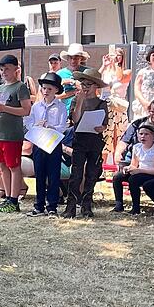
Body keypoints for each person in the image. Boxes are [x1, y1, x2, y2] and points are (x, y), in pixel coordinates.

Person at [0, 55, 32, 213]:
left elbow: (26, 110)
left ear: (15, 69)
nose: (4, 71)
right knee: (2, 166)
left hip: (12, 134)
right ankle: (7, 197)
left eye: (7, 68)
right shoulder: (1, 88)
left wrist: (4, 108)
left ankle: (14, 199)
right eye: (1, 69)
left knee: (14, 166)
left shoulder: (20, 87)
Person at [63, 68, 109, 218]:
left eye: (89, 84)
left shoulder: (101, 103)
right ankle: (70, 207)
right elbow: (75, 119)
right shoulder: (77, 100)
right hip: (80, 140)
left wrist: (101, 127)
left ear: (96, 86)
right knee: (76, 174)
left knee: (91, 173)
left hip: (95, 140)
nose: (86, 87)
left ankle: (86, 205)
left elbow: (104, 124)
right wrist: (80, 101)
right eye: (83, 84)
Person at [25, 73, 67, 217]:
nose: (46, 91)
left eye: (49, 88)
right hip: (39, 143)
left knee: (53, 175)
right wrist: (35, 125)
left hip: (53, 144)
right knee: (40, 175)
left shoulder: (60, 107)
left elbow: (62, 126)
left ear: (56, 90)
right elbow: (28, 122)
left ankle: (52, 206)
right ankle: (39, 205)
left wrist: (50, 126)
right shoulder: (36, 107)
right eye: (44, 88)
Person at [111, 124, 154, 214]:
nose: (143, 136)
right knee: (117, 177)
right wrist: (127, 168)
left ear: (153, 136)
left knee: (133, 179)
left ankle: (136, 208)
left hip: (151, 174)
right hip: (139, 172)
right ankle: (119, 205)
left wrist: (139, 170)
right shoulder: (137, 147)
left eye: (146, 134)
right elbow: (134, 164)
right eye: (141, 134)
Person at [115, 98, 154, 166]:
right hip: (133, 159)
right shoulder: (138, 123)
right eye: (152, 112)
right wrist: (118, 153)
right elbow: (124, 141)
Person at [100, 47, 133, 160]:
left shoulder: (127, 72)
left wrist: (116, 65)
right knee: (105, 136)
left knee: (118, 136)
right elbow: (95, 80)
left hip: (119, 107)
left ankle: (117, 166)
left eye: (119, 55)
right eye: (114, 55)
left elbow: (120, 77)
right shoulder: (107, 72)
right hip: (106, 105)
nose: (116, 57)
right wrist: (104, 65)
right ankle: (102, 168)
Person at [56, 44, 90, 113]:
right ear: (67, 58)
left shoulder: (87, 72)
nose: (73, 61)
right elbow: (54, 96)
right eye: (71, 58)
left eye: (76, 58)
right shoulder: (59, 74)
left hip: (85, 110)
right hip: (65, 112)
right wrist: (73, 91)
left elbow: (94, 91)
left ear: (81, 59)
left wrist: (73, 83)